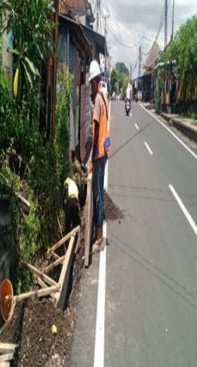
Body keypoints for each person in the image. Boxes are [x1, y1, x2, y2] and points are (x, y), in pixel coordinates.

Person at [87, 60, 111, 252]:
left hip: (98, 154)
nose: (89, 87)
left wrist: (90, 160)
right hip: (104, 151)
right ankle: (99, 235)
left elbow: (95, 130)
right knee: (99, 194)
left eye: (90, 83)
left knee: (97, 196)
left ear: (95, 81)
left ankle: (99, 238)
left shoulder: (97, 99)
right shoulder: (104, 96)